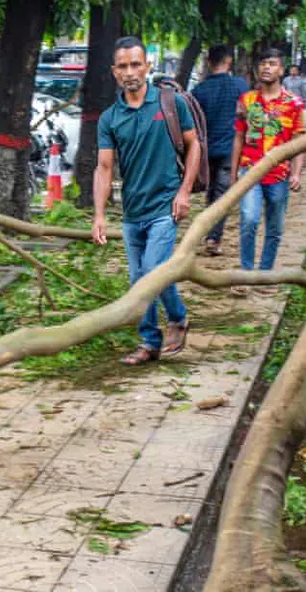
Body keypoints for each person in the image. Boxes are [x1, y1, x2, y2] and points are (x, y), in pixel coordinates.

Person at [93, 36, 201, 365]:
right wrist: (99, 214)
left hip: (164, 207)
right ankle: (149, 342)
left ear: (147, 66)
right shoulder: (110, 118)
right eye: (123, 66)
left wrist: (184, 192)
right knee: (137, 279)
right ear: (114, 72)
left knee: (153, 271)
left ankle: (178, 318)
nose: (130, 72)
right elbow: (104, 166)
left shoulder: (170, 104)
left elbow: (194, 145)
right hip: (131, 211)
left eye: (135, 64)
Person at [230, 48, 306, 292]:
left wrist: (296, 173)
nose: (266, 68)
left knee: (274, 228)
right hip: (249, 170)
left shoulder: (293, 104)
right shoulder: (247, 100)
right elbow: (239, 137)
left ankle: (264, 276)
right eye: (263, 63)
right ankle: (245, 275)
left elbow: (298, 143)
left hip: (279, 175)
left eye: (272, 63)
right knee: (249, 220)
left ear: (281, 70)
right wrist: (233, 174)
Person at [189, 44, 248, 256]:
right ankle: (213, 238)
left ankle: (209, 231)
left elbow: (194, 123)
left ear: (208, 63)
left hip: (206, 150)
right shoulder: (240, 86)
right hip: (229, 149)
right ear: (229, 61)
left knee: (213, 191)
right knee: (220, 194)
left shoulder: (199, 91)